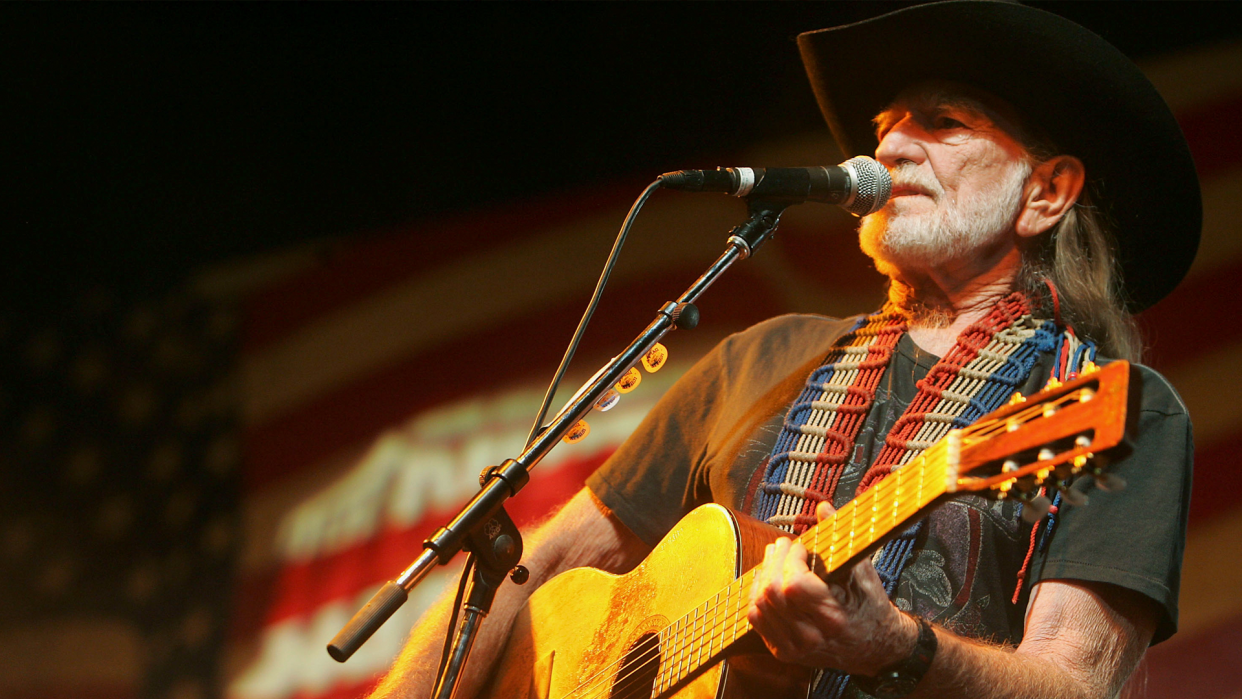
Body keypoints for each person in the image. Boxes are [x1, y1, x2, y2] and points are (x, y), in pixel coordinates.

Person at [370, 3, 1199, 698]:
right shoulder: (760, 359)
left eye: (942, 122)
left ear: (1047, 193)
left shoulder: (1109, 401)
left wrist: (899, 646)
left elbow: (1075, 683)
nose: (893, 148)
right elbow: (534, 566)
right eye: (887, 128)